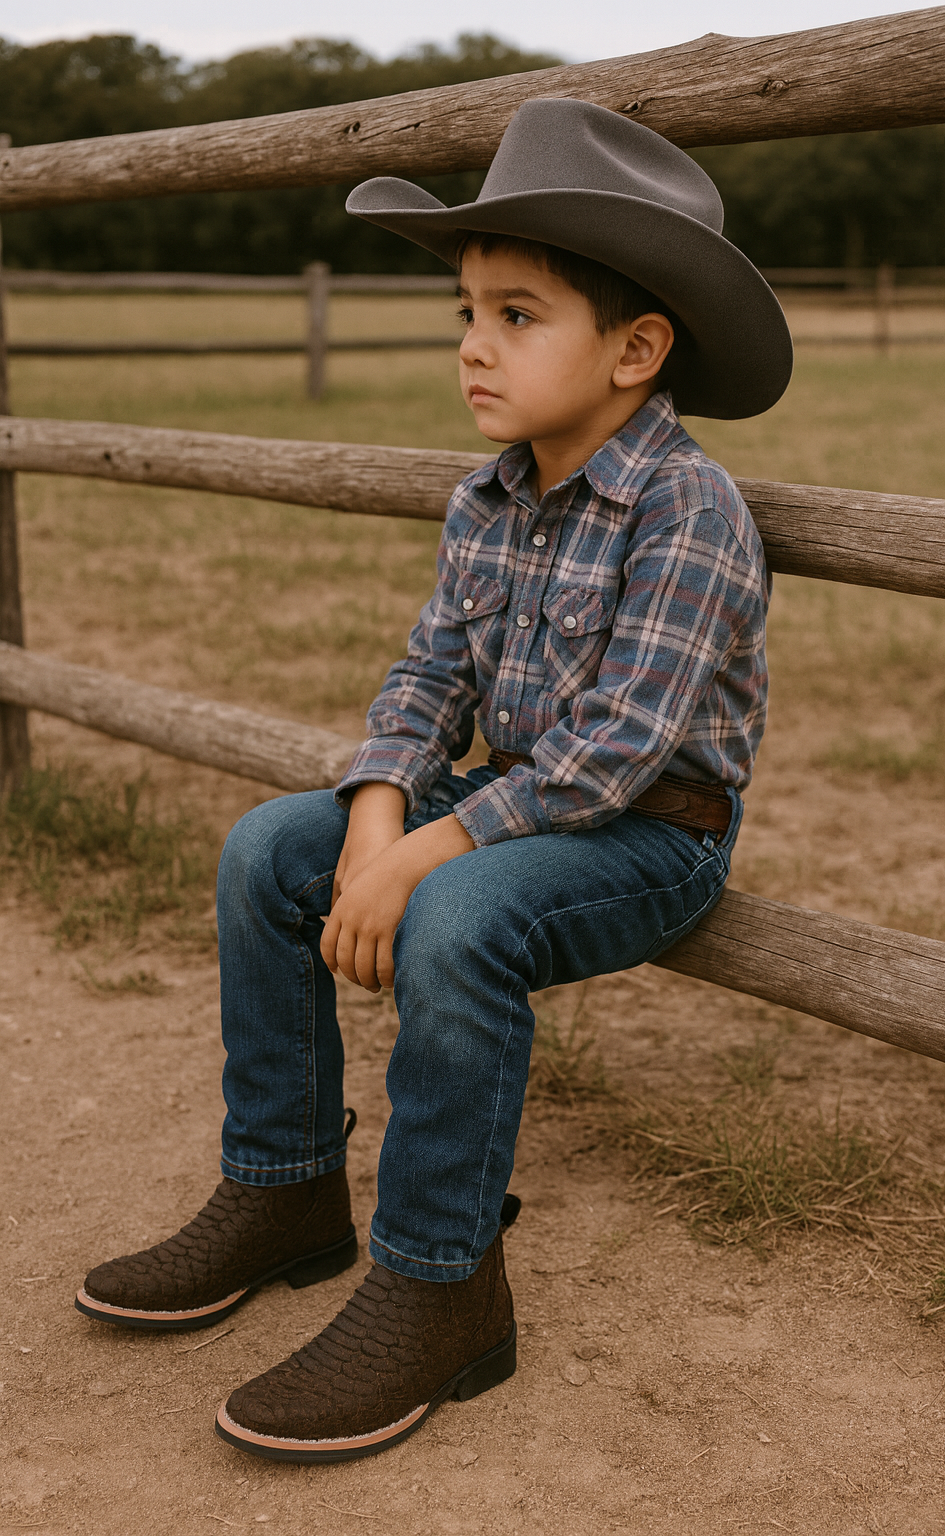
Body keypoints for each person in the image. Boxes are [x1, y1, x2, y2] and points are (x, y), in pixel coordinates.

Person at [74, 97, 792, 1463]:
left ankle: (440, 1279)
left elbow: (619, 754)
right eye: (466, 311)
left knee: (460, 921)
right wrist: (382, 806)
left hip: (650, 836)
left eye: (518, 315)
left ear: (636, 350)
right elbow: (426, 682)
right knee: (264, 851)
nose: (473, 343)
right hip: (510, 808)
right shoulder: (489, 498)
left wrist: (429, 861)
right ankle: (283, 1188)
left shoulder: (687, 509)